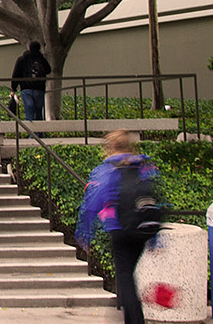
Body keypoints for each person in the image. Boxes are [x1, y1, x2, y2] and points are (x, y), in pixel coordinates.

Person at [77, 130, 156, 324]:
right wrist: (155, 238)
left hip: (119, 227)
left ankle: (136, 320)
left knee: (125, 276)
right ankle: (133, 318)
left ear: (112, 146)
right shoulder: (143, 166)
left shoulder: (106, 170)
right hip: (142, 229)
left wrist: (84, 232)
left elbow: (92, 202)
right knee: (128, 274)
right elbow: (153, 199)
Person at [12, 41, 52, 121]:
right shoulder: (42, 59)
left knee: (29, 108)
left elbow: (16, 73)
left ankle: (31, 130)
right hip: (39, 88)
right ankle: (39, 132)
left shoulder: (22, 59)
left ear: (29, 48)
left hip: (26, 88)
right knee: (38, 110)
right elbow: (48, 70)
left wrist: (14, 88)